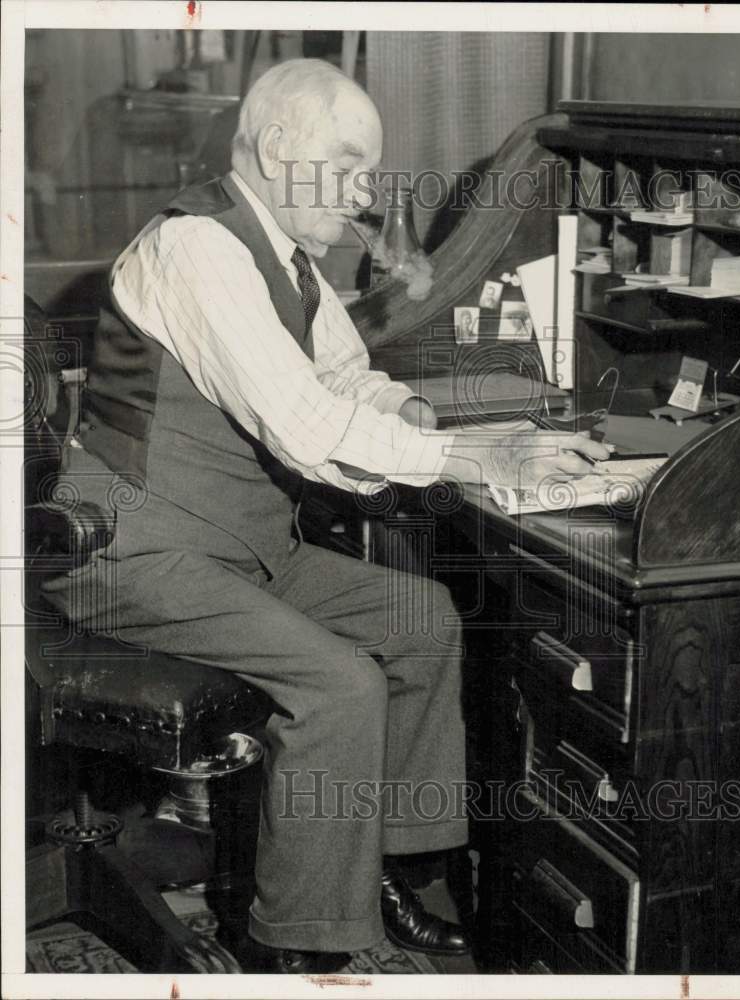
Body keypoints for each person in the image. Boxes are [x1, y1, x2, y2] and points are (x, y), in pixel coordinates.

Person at [41, 58, 609, 974]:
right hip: (125, 547)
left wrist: (424, 420)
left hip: (238, 546)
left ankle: (370, 867)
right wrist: (472, 457)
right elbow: (303, 424)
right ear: (275, 145)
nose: (366, 189)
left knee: (420, 621)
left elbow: (345, 380)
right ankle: (300, 945)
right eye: (348, 161)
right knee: (340, 682)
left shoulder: (293, 260)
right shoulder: (197, 246)